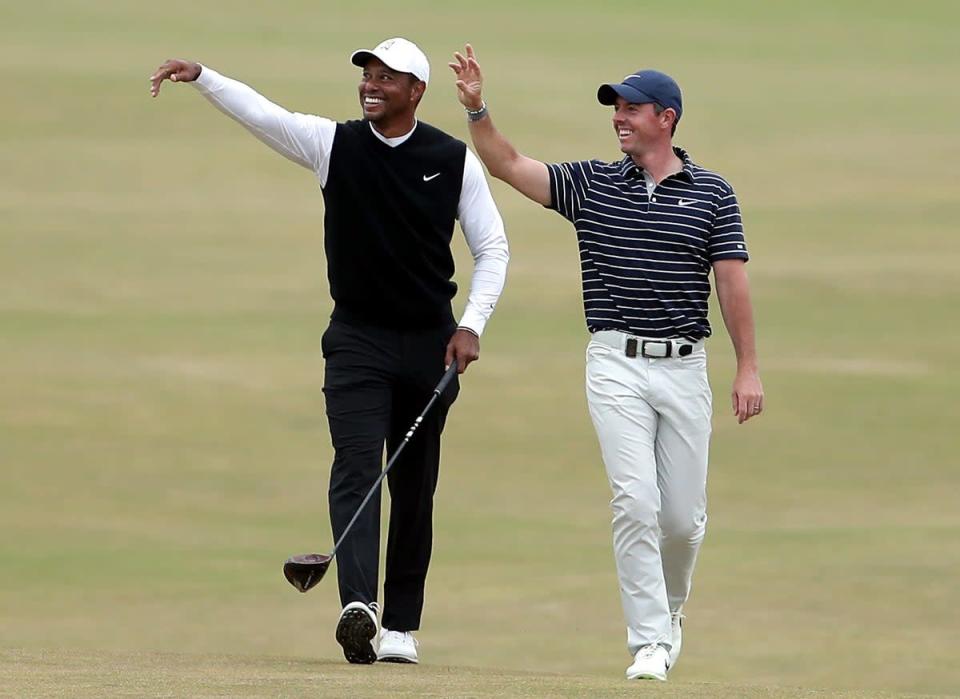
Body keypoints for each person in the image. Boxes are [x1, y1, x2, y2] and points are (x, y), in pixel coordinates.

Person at [149, 37, 509, 666]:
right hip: (356, 339)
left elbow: (494, 250)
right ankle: (360, 608)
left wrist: (471, 325)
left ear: (416, 91)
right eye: (366, 74)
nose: (371, 84)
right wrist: (204, 75)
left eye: (386, 77)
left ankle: (402, 625)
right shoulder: (332, 143)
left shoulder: (452, 160)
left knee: (415, 486)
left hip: (430, 344)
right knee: (354, 465)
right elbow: (265, 116)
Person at [449, 45, 763, 681]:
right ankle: (648, 640)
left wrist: (747, 367)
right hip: (614, 362)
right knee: (635, 502)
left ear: (666, 118)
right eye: (615, 109)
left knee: (680, 521)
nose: (619, 118)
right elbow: (508, 165)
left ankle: (669, 615)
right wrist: (479, 109)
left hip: (683, 365)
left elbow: (731, 282)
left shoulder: (711, 194)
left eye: (632, 109)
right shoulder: (592, 184)